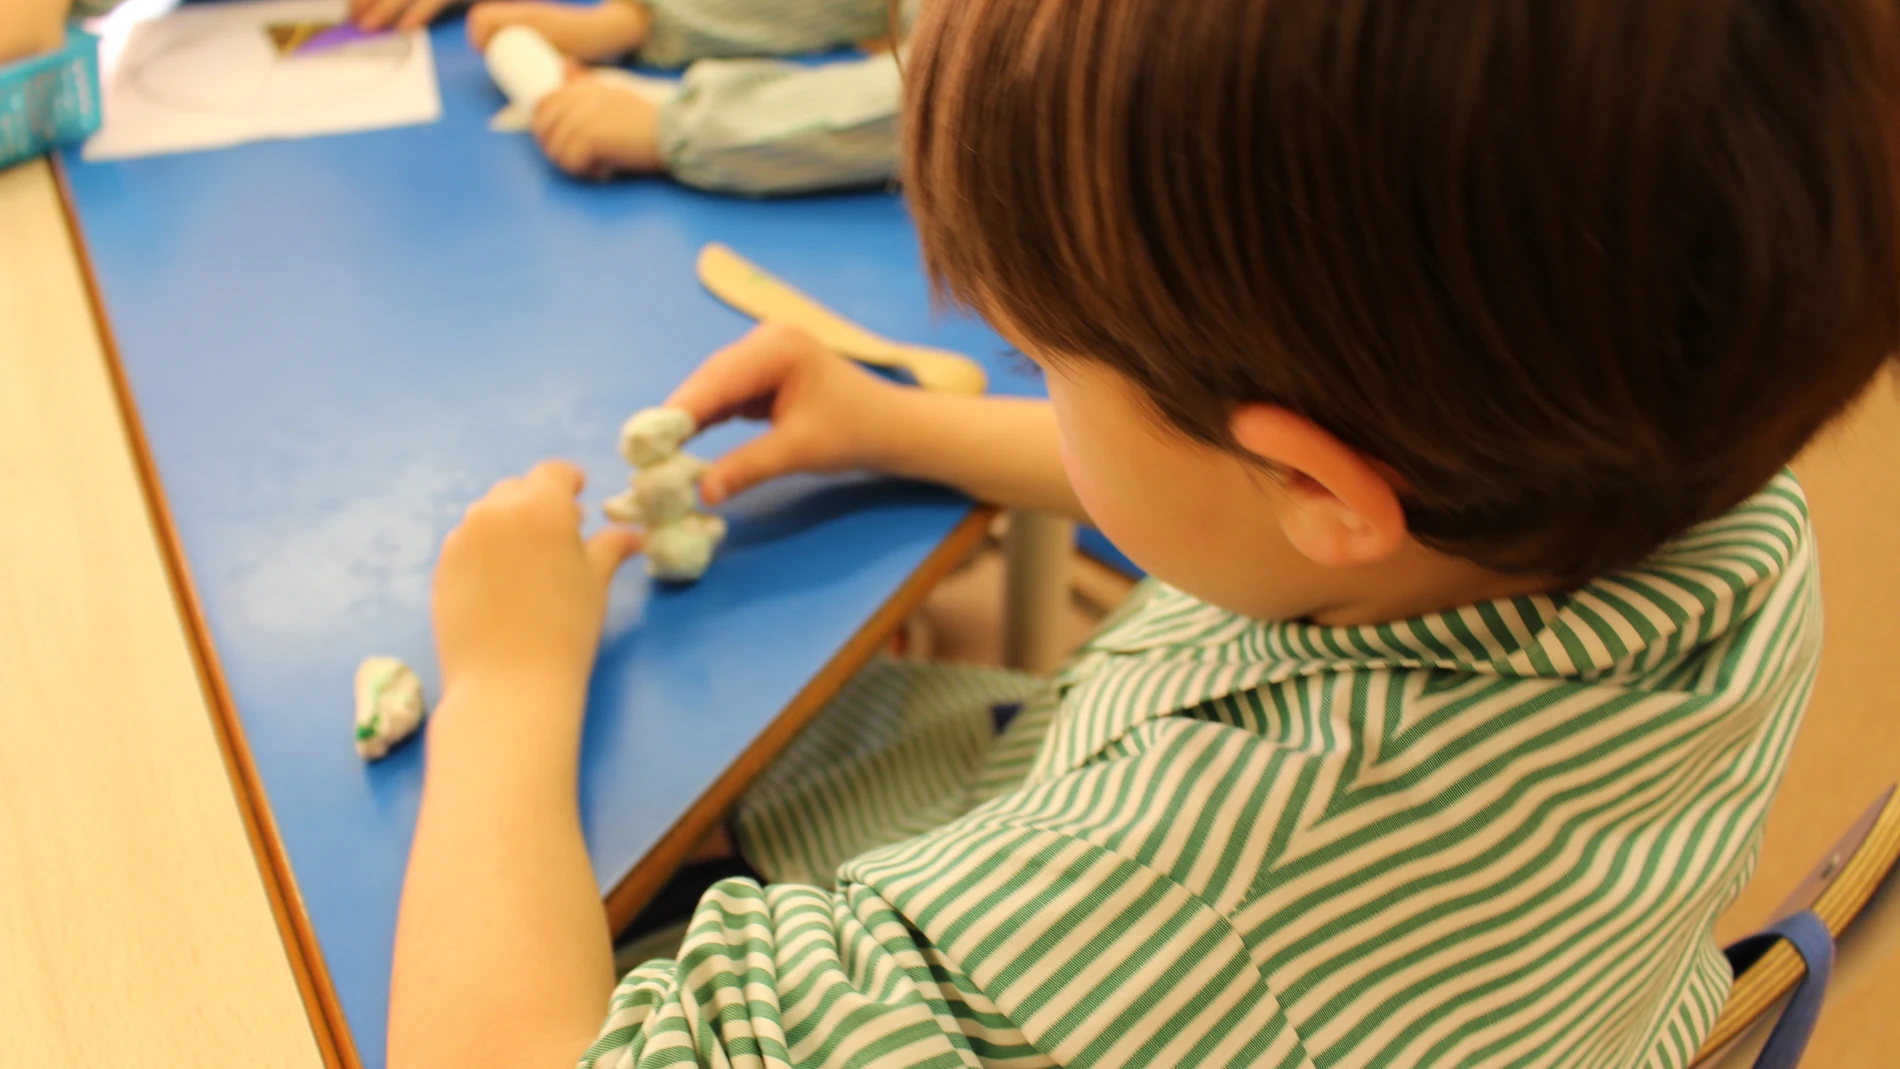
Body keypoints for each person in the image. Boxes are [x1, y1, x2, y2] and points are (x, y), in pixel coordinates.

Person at [388, 1, 1900, 1067]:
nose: (1028, 380)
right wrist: (902, 423)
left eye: (1047, 363)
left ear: (1317, 486)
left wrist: (508, 683)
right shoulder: (1703, 505)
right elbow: (1248, 493)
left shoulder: (1195, 904)